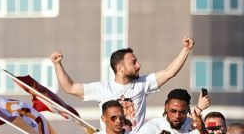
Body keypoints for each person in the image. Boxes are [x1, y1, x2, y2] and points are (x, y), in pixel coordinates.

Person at [49, 38, 194, 127]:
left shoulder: (143, 84)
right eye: (134, 63)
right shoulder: (102, 88)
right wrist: (57, 65)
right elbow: (70, 87)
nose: (139, 66)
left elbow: (170, 72)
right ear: (120, 68)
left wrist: (186, 50)